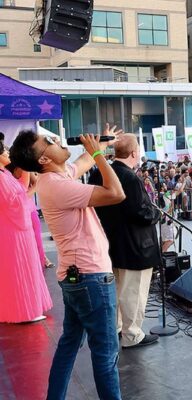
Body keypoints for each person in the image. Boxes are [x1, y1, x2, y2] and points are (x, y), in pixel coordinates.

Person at [10, 129, 125, 399]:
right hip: (91, 277)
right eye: (49, 142)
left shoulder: (57, 177)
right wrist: (99, 154)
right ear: (43, 161)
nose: (57, 140)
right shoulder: (58, 185)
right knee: (106, 353)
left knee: (69, 344)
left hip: (77, 277)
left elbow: (83, 161)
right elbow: (116, 193)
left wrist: (101, 144)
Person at [88, 134, 160, 349]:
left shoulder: (99, 173)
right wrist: (156, 214)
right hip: (135, 246)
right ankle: (133, 335)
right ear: (134, 153)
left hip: (109, 242)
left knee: (118, 290)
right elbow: (139, 212)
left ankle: (118, 328)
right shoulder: (130, 178)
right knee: (133, 293)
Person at [0, 137, 52, 323]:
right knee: (20, 267)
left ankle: (27, 307)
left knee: (25, 266)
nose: (7, 154)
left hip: (15, 229)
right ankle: (24, 311)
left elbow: (18, 196)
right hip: (14, 231)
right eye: (4, 152)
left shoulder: (4, 175)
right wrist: (36, 187)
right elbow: (15, 203)